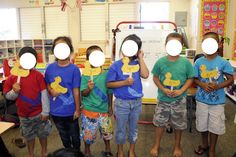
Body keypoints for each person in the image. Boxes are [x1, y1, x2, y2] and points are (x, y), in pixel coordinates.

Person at [150, 32, 195, 157]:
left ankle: (177, 145)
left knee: (178, 124)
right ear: (165, 45)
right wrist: (163, 88)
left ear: (181, 46)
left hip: (179, 100)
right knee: (159, 123)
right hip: (163, 99)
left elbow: (190, 78)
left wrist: (181, 90)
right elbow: (155, 77)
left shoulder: (185, 63)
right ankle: (156, 144)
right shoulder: (160, 62)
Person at [3, 47, 51, 157]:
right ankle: (31, 154)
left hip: (39, 113)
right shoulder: (12, 77)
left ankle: (44, 151)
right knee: (29, 136)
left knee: (43, 134)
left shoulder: (38, 75)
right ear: (18, 59)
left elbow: (44, 94)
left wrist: (45, 112)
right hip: (23, 115)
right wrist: (14, 91)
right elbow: (8, 96)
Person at [106, 34, 149, 157]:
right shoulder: (116, 65)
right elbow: (109, 84)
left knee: (133, 128)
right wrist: (124, 82)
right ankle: (120, 150)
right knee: (120, 129)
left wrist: (141, 58)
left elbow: (145, 75)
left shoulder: (137, 63)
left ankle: (131, 149)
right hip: (122, 102)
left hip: (136, 102)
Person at [194, 32, 234, 157]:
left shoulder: (223, 62)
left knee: (215, 126)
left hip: (217, 102)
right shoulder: (199, 62)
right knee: (202, 125)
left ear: (218, 44)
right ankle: (204, 144)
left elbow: (230, 79)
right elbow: (194, 79)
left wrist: (217, 86)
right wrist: (202, 85)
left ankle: (212, 150)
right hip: (201, 100)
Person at [45, 36, 81, 151]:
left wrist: (77, 109)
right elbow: (47, 84)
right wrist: (51, 90)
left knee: (75, 136)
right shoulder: (50, 68)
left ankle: (76, 152)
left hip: (71, 111)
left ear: (69, 50)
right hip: (56, 112)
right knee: (64, 136)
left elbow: (76, 90)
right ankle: (68, 152)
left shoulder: (74, 69)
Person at [80, 45, 113, 157]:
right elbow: (83, 93)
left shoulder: (106, 73)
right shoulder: (85, 75)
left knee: (107, 133)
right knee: (88, 134)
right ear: (88, 60)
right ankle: (87, 150)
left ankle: (108, 149)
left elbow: (109, 91)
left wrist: (110, 106)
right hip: (89, 111)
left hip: (104, 111)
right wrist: (88, 88)